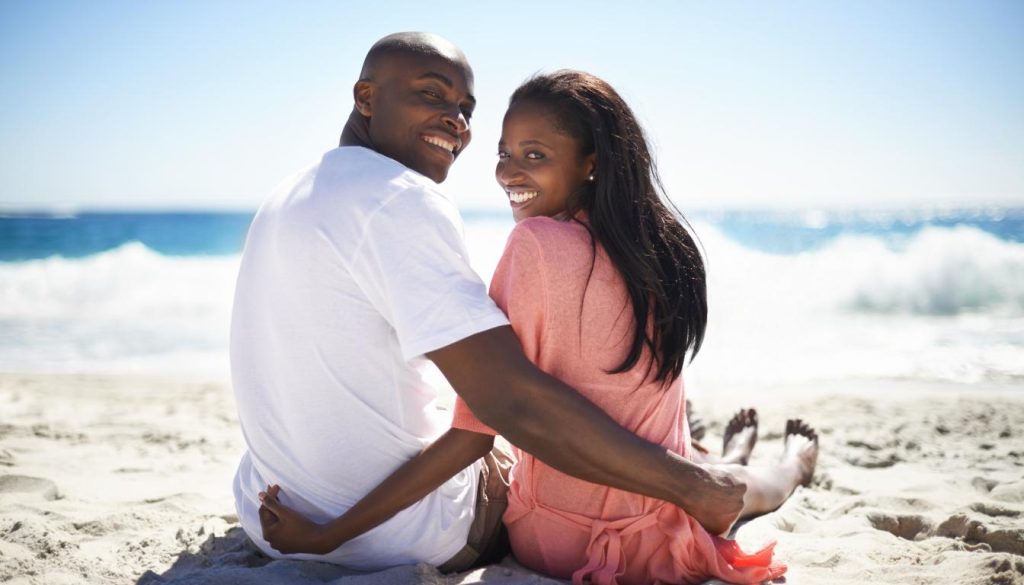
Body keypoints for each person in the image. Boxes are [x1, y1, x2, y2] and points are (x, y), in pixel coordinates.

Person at [257, 70, 820, 584]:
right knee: (756, 488)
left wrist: (328, 534)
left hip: (558, 544)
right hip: (659, 534)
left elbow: (477, 433)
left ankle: (736, 460)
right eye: (504, 153)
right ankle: (782, 464)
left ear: (590, 161)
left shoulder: (535, 245)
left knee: (702, 475)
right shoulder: (658, 247)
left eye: (534, 154)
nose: (509, 172)